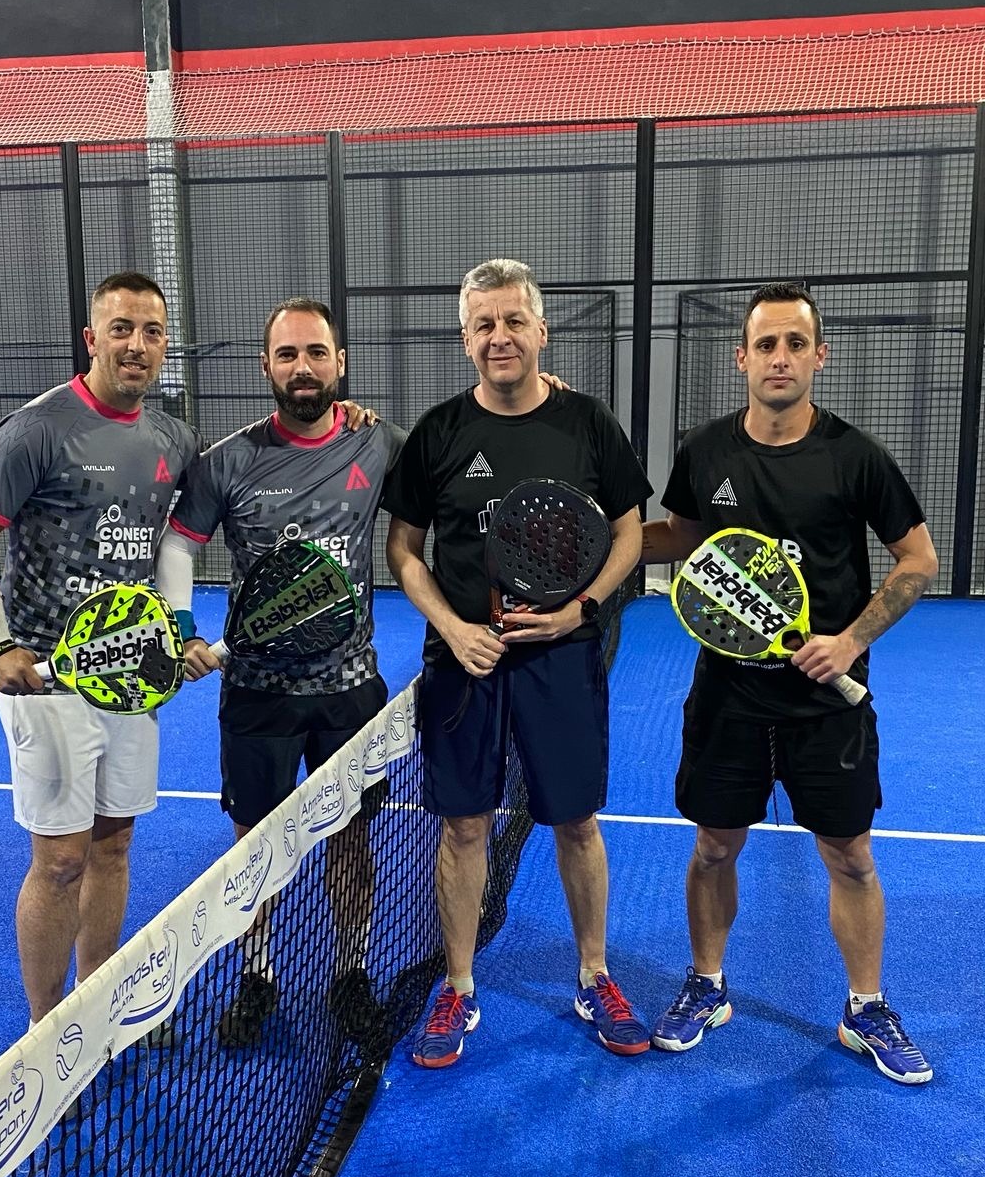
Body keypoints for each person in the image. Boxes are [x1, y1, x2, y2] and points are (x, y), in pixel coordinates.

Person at [643, 281, 939, 1083]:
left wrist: (850, 641)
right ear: (740, 358)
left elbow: (918, 558)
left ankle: (865, 1008)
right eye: (766, 344)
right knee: (713, 846)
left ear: (819, 356)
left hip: (824, 706)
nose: (781, 358)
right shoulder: (705, 451)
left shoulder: (856, 457)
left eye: (795, 344)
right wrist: (601, 544)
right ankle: (707, 985)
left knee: (851, 857)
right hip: (727, 698)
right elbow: (684, 538)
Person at [383, 257, 650, 1068]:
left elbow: (630, 532)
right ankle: (458, 985)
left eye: (512, 321)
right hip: (463, 664)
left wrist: (582, 608)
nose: (499, 336)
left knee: (575, 819)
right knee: (464, 825)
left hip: (562, 658)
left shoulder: (588, 423)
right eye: (483, 324)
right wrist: (451, 626)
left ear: (541, 330)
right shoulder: (438, 433)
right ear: (466, 339)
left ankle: (594, 974)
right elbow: (403, 551)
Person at [0, 271, 197, 1028]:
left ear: (164, 347)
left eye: (151, 332)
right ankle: (45, 1032)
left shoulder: (173, 440)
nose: (137, 345)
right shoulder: (35, 430)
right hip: (47, 682)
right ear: (92, 339)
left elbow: (178, 541)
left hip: (131, 678)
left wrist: (176, 632)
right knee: (60, 859)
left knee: (114, 846)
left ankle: (93, 1010)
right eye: (121, 329)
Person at [154, 297, 406, 1044]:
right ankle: (257, 975)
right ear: (266, 366)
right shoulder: (227, 460)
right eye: (288, 354)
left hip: (350, 693)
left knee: (350, 840)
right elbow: (179, 544)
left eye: (316, 353)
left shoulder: (378, 443)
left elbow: (449, 482)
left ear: (340, 363)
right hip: (256, 695)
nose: (303, 367)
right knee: (253, 844)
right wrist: (182, 629)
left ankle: (351, 973)